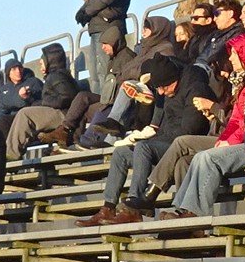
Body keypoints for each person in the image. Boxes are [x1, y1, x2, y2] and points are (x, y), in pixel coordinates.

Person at [91, 56, 218, 224]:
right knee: (121, 152)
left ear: (174, 80)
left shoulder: (195, 89)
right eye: (158, 88)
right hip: (162, 146)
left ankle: (134, 207)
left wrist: (153, 140)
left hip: (180, 147)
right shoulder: (165, 91)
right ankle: (108, 208)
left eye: (164, 87)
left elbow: (190, 130)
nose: (161, 92)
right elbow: (153, 123)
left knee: (144, 147)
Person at [178, 31, 245, 216]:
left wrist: (230, 141)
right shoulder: (243, 81)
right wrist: (225, 138)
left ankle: (196, 217)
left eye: (235, 54)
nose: (230, 58)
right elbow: (236, 119)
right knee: (197, 157)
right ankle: (182, 211)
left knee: (208, 158)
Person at [74, 0, 135, 98]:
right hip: (96, 29)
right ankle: (97, 106)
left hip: (109, 29)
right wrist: (82, 11)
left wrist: (88, 12)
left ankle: (106, 104)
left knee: (105, 71)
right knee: (95, 74)